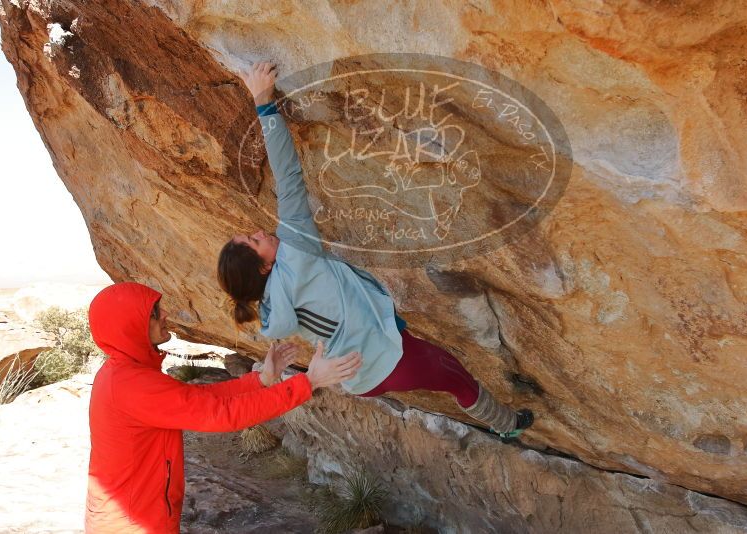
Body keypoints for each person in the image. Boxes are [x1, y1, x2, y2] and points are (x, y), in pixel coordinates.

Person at [217, 61, 533, 442]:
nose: (257, 231)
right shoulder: (295, 255)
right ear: (265, 267)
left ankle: (496, 417)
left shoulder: (271, 305)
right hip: (385, 360)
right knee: (456, 376)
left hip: (359, 374)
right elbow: (287, 178)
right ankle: (508, 426)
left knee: (433, 361)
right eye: (253, 241)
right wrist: (263, 103)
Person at [85, 281, 362, 533]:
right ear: (130, 325)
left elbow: (199, 398)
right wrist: (308, 382)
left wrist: (261, 380)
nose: (165, 314)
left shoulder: (125, 374)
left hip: (136, 516)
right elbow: (220, 414)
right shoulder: (131, 385)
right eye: (155, 313)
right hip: (131, 523)